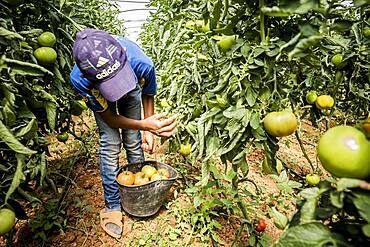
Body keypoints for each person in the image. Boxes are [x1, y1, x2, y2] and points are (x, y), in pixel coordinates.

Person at [69, 28, 176, 239]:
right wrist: (145, 125)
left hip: (131, 82)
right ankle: (112, 205)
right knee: (110, 142)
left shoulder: (141, 63)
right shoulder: (81, 80)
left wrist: (147, 130)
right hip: (98, 92)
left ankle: (140, 187)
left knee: (132, 139)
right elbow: (109, 118)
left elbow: (148, 93)